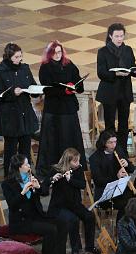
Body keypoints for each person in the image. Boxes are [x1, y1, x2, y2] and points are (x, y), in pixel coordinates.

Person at [1, 154, 67, 254]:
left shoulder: (30, 176)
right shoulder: (7, 184)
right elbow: (12, 204)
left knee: (61, 222)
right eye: (26, 164)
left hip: (36, 215)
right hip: (21, 222)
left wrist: (38, 188)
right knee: (50, 229)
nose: (29, 166)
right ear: (19, 167)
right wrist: (23, 192)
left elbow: (44, 193)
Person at [36, 41, 87, 175]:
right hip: (54, 111)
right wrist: (64, 90)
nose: (57, 55)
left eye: (59, 52)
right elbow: (47, 89)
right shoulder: (45, 68)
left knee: (71, 139)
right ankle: (53, 170)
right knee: (54, 142)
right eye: (54, 53)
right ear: (49, 54)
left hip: (69, 109)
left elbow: (78, 82)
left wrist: (77, 87)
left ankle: (74, 167)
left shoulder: (69, 64)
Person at [0, 43, 39, 177]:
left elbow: (32, 85)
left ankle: (26, 176)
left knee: (25, 149)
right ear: (9, 57)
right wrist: (13, 93)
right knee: (11, 150)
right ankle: (11, 177)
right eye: (17, 57)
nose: (19, 59)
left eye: (20, 56)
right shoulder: (0, 71)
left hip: (25, 114)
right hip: (10, 117)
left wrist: (36, 91)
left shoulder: (24, 68)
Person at [97, 23, 136, 156]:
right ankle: (109, 151)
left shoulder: (128, 50)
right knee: (110, 124)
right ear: (110, 36)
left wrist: (135, 72)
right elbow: (101, 73)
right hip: (109, 92)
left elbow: (132, 65)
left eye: (122, 36)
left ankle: (122, 151)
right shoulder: (103, 51)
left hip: (124, 92)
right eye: (117, 36)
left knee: (123, 125)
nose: (120, 39)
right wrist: (115, 74)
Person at [47, 148, 98, 254]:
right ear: (67, 161)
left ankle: (90, 246)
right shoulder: (55, 170)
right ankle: (75, 249)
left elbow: (83, 185)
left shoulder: (78, 170)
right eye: (75, 161)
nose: (78, 163)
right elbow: (46, 184)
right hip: (60, 206)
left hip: (74, 204)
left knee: (89, 216)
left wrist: (71, 180)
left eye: (78, 160)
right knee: (73, 220)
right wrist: (52, 179)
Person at [89, 130, 135, 223]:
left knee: (134, 201)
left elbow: (132, 169)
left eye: (115, 142)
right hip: (105, 193)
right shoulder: (95, 158)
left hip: (120, 190)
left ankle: (130, 228)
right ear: (103, 143)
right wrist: (116, 177)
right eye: (110, 142)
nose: (113, 145)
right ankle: (121, 230)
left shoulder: (118, 150)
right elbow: (98, 181)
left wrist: (127, 164)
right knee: (126, 205)